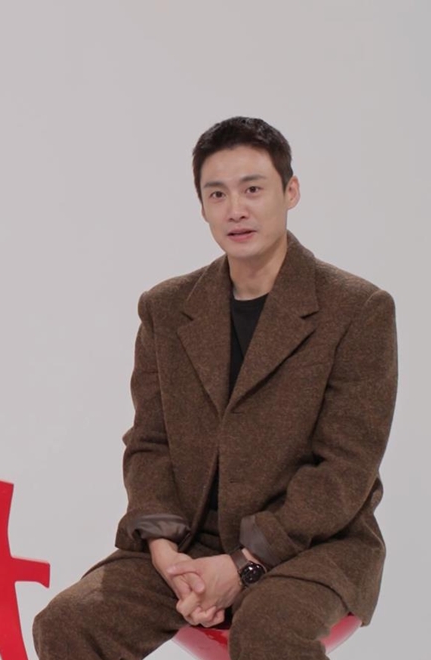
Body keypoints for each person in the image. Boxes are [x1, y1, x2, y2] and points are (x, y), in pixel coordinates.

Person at [33, 117, 398, 659]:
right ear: (202, 206)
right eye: (217, 194)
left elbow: (345, 471)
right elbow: (150, 443)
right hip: (191, 542)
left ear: (290, 192)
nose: (235, 209)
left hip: (317, 546)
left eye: (253, 189)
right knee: (68, 621)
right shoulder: (167, 307)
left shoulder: (357, 309)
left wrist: (245, 563)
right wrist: (163, 550)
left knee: (268, 629)